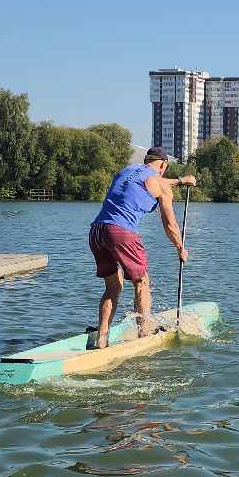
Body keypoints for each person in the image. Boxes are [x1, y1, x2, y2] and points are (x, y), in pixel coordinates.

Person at [89, 147, 195, 348]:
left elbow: (153, 182)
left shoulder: (127, 170)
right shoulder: (161, 184)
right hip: (121, 232)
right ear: (163, 165)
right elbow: (169, 224)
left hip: (96, 230)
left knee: (113, 287)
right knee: (142, 282)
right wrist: (180, 247)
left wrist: (181, 181)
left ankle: (101, 340)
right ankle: (143, 334)